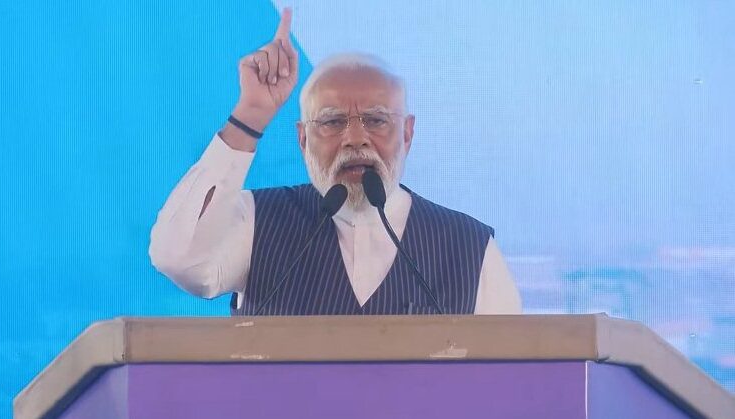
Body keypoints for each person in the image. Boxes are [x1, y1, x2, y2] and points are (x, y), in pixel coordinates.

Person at [149, 8, 521, 315]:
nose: (355, 138)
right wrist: (251, 114)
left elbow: (509, 375)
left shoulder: (469, 248)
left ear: (407, 134)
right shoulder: (257, 222)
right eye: (332, 122)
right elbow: (178, 258)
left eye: (376, 120)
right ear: (303, 140)